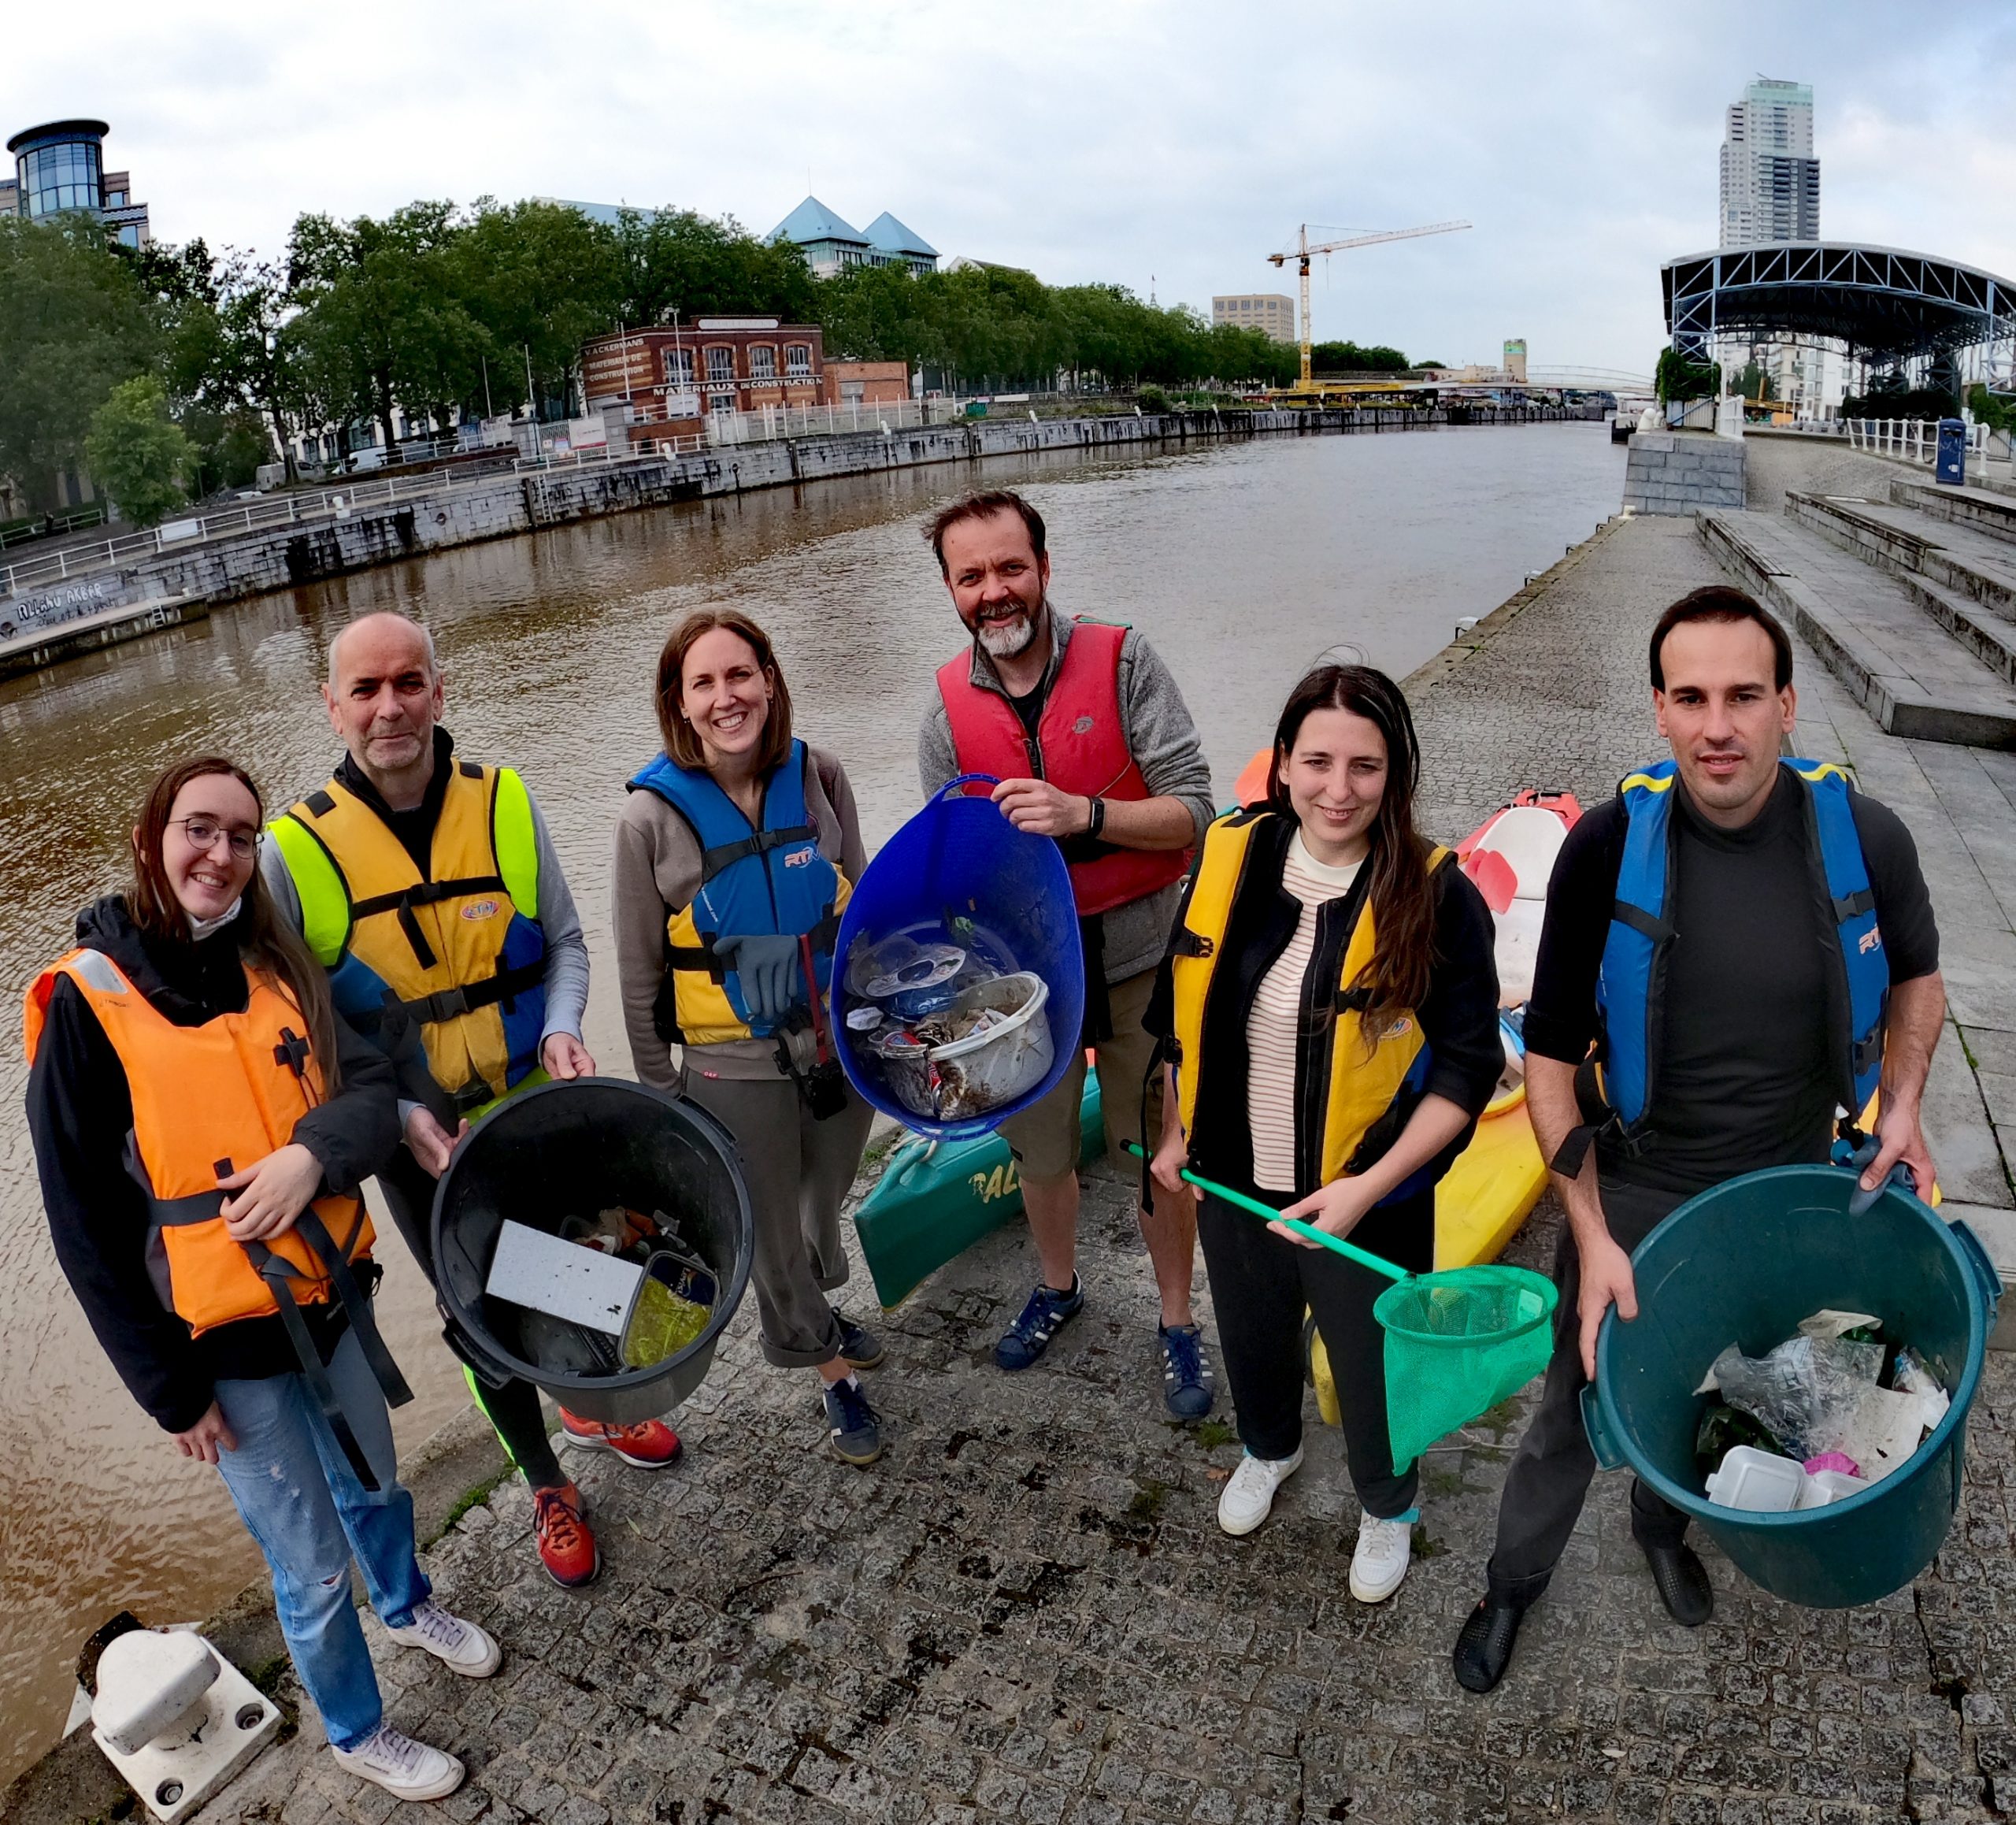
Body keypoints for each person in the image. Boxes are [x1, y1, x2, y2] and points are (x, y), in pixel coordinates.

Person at [1453, 586, 1944, 1693]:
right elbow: (1545, 1067)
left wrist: (1902, 1102)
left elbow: (1918, 977)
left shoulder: (1864, 837)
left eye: (1743, 695)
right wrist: (1587, 1237)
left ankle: (1664, 1530)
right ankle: (1510, 1584)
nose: (1718, 724)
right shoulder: (1605, 846)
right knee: (1577, 1406)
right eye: (1691, 698)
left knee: (1729, 1384)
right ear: (1660, 714)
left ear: (1788, 706)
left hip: (1784, 1184)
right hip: (1634, 1183)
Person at [25, 756, 495, 1804]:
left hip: (332, 1303)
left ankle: (410, 1603)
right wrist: (169, 1392)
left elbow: (370, 1086)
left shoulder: (275, 962)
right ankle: (357, 1727)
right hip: (223, 1354)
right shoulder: (88, 1006)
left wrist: (310, 1157)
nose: (221, 855)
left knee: (377, 1481)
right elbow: (84, 1230)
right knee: (309, 1562)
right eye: (201, 829)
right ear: (154, 838)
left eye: (242, 837)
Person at [264, 611, 680, 1593]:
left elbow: (568, 942)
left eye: (408, 682)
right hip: (421, 1143)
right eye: (364, 690)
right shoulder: (292, 850)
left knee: (580, 1264)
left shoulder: (503, 801)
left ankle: (596, 1405)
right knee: (482, 1312)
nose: (389, 707)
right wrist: (397, 1114)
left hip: (535, 1102)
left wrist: (560, 1026)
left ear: (439, 692)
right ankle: (544, 1480)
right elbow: (298, 1024)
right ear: (333, 707)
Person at [1147, 665, 1503, 1600]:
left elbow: (1465, 1071)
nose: (1337, 789)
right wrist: (1181, 1129)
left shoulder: (1435, 895)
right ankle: (1268, 1447)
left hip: (1364, 1195)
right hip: (1232, 1178)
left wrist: (1367, 1187)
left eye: (1365, 766)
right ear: (1285, 762)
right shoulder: (1227, 858)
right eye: (1317, 761)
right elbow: (1179, 1017)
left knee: (1376, 1365)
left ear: (1397, 773)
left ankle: (1387, 1506)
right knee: (1252, 1336)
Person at [919, 489, 1221, 1415]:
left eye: (1010, 568)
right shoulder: (942, 717)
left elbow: (1198, 808)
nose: (994, 591)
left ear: (1044, 569)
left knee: (1154, 1156)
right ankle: (1058, 1286)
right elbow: (946, 872)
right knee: (1042, 1153)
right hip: (1030, 992)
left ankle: (1176, 1320)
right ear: (951, 591)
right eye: (971, 577)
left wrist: (1086, 816)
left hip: (1139, 967)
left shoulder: (1124, 661)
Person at [612, 608, 888, 1464]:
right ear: (679, 703)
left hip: (836, 1045)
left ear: (769, 681)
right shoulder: (647, 822)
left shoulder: (821, 775)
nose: (727, 697)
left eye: (741, 675)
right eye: (705, 682)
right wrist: (664, 1098)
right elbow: (637, 975)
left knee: (823, 1195)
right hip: (731, 1072)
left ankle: (814, 1299)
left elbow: (869, 905)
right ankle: (828, 1368)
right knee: (769, 1229)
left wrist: (890, 1014)